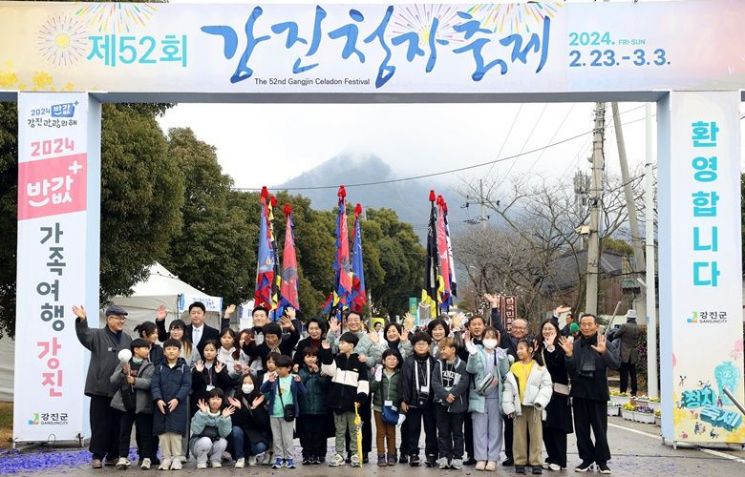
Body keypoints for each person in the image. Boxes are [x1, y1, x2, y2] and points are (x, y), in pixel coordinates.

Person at [73, 304, 133, 469]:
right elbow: (83, 334)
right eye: (119, 318)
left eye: (123, 318)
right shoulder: (97, 335)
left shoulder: (127, 338)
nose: (122, 321)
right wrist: (82, 320)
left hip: (119, 389)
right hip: (99, 388)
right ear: (109, 319)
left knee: (117, 424)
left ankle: (113, 456)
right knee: (100, 424)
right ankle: (97, 455)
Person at [558, 313, 620, 474]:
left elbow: (616, 364)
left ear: (596, 326)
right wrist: (569, 355)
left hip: (598, 392)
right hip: (579, 393)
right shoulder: (575, 345)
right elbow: (569, 369)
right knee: (581, 430)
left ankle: (602, 461)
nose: (586, 327)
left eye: (589, 324)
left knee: (600, 430)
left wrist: (603, 352)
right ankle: (586, 459)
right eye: (583, 324)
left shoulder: (604, 342)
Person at [326, 311, 381, 463]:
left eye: (356, 319)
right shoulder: (341, 338)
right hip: (342, 388)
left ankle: (361, 452)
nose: (353, 322)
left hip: (361, 386)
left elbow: (378, 358)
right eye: (350, 320)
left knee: (362, 421)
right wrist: (331, 332)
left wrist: (367, 358)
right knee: (343, 423)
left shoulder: (368, 337)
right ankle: (345, 453)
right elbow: (329, 349)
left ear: (362, 321)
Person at [485, 293, 531, 467]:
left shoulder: (531, 344)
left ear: (527, 330)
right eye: (515, 327)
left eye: (521, 328)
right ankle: (511, 455)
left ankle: (526, 455)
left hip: (528, 390)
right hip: (510, 391)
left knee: (527, 425)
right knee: (510, 425)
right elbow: (498, 326)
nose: (518, 330)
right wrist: (495, 308)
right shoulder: (508, 342)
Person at [503, 340, 553, 475]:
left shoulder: (540, 368)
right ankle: (519, 461)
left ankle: (536, 462)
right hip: (519, 406)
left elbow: (547, 386)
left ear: (530, 350)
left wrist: (540, 401)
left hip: (535, 408)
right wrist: (508, 406)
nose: (518, 351)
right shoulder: (514, 367)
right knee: (518, 436)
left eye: (522, 348)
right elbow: (508, 388)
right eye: (518, 349)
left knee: (536, 435)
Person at [319, 332, 369, 468]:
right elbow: (328, 370)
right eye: (340, 342)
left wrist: (361, 398)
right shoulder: (336, 359)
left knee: (353, 430)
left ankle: (354, 454)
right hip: (337, 402)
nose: (340, 344)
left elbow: (364, 382)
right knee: (339, 431)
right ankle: (339, 454)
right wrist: (326, 352)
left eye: (343, 342)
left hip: (353, 403)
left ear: (351, 345)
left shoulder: (359, 361)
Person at [465, 325, 510, 471]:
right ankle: (481, 458)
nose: (489, 340)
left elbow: (505, 373)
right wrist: (471, 353)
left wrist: (503, 360)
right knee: (479, 429)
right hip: (479, 396)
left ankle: (492, 458)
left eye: (492, 337)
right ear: (482, 339)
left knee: (495, 429)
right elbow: (471, 369)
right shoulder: (477, 351)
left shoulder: (501, 353)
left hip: (496, 396)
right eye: (487, 337)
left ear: (497, 339)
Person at [111, 338, 155, 470]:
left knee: (145, 433)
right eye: (145, 348)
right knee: (124, 432)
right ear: (135, 350)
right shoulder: (124, 363)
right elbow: (113, 380)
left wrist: (135, 381)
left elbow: (150, 383)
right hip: (126, 404)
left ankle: (146, 458)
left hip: (142, 405)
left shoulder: (149, 365)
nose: (147, 350)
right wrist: (122, 372)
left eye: (148, 348)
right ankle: (123, 457)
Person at [535, 319, 573, 471]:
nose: (547, 331)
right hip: (542, 394)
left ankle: (560, 459)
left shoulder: (561, 347)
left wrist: (551, 347)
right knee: (545, 426)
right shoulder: (538, 347)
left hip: (558, 392)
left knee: (558, 427)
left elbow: (560, 367)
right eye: (545, 328)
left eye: (550, 328)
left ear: (556, 330)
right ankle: (551, 456)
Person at [151, 338, 192, 470]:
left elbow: (186, 385)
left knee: (175, 433)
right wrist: (158, 399)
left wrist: (177, 399)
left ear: (179, 352)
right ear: (164, 351)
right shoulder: (159, 367)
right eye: (168, 349)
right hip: (161, 406)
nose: (171, 351)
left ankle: (176, 459)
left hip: (178, 406)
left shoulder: (184, 368)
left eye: (174, 349)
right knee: (163, 434)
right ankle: (166, 458)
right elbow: (154, 385)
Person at [260, 354, 306, 469]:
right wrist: (269, 382)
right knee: (277, 438)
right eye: (277, 368)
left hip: (288, 414)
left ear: (289, 368)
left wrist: (300, 383)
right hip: (274, 413)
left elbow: (304, 393)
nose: (278, 370)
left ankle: (289, 459)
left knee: (287, 437)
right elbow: (262, 390)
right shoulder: (274, 379)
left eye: (280, 368)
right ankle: (279, 458)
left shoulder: (294, 379)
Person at [432, 337, 469, 470]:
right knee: (443, 432)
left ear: (453, 350)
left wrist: (453, 394)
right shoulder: (438, 364)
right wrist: (445, 395)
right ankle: (444, 456)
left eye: (444, 348)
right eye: (440, 349)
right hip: (441, 403)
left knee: (458, 432)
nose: (441, 351)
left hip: (457, 404)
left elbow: (464, 381)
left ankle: (458, 457)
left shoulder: (462, 365)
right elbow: (435, 382)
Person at [401, 332, 438, 467]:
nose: (421, 346)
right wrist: (404, 400)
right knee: (413, 429)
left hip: (430, 402)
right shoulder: (409, 361)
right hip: (413, 402)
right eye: (418, 344)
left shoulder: (434, 362)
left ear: (429, 346)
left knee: (431, 429)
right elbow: (404, 381)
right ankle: (413, 454)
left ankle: (432, 454)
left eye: (424, 344)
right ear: (413, 346)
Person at [228, 373, 271, 467]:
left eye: (250, 383)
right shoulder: (236, 398)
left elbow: (262, 423)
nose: (247, 385)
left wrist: (255, 408)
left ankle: (252, 455)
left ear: (254, 384)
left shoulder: (259, 398)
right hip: (241, 433)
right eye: (245, 383)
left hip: (255, 433)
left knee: (261, 447)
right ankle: (240, 457)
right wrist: (239, 408)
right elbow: (235, 422)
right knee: (236, 430)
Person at [297, 347, 331, 464]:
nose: (311, 359)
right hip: (305, 409)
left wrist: (317, 373)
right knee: (305, 433)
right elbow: (299, 385)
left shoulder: (323, 371)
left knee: (319, 433)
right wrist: (309, 374)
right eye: (308, 356)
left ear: (317, 358)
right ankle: (307, 454)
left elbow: (325, 386)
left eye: (313, 356)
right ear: (304, 358)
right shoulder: (301, 372)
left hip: (320, 408)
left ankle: (318, 454)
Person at [155, 302, 224, 359]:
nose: (196, 315)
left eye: (199, 313)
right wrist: (160, 321)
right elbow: (162, 337)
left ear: (204, 314)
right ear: (190, 315)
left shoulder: (214, 332)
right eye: (193, 313)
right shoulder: (182, 330)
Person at [371, 349, 403, 467]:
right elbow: (372, 389)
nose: (391, 361)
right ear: (383, 361)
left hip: (393, 408)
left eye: (394, 358)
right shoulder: (379, 372)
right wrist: (377, 379)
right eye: (388, 358)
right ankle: (381, 456)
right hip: (379, 406)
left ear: (398, 361)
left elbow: (402, 391)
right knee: (380, 433)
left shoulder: (400, 374)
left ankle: (391, 455)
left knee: (391, 433)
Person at [189, 388, 234, 469]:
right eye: (212, 398)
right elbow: (196, 430)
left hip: (214, 444)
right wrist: (203, 414)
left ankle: (215, 460)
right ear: (208, 400)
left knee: (223, 442)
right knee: (206, 440)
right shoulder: (201, 412)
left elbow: (224, 434)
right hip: (199, 444)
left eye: (218, 399)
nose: (215, 401)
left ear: (222, 400)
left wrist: (224, 419)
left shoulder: (224, 413)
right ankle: (202, 461)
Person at [192, 340, 232, 415]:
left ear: (217, 352)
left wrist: (220, 373)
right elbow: (194, 386)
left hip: (217, 397)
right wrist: (198, 372)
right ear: (203, 352)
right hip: (201, 397)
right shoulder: (198, 365)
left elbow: (227, 384)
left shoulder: (221, 365)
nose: (209, 352)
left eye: (212, 350)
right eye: (206, 350)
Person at [615, 310, 640, 396]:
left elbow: (616, 335)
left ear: (628, 318)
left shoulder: (624, 326)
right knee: (633, 372)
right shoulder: (637, 327)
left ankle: (623, 391)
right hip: (633, 353)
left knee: (624, 373)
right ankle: (634, 390)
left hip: (625, 352)